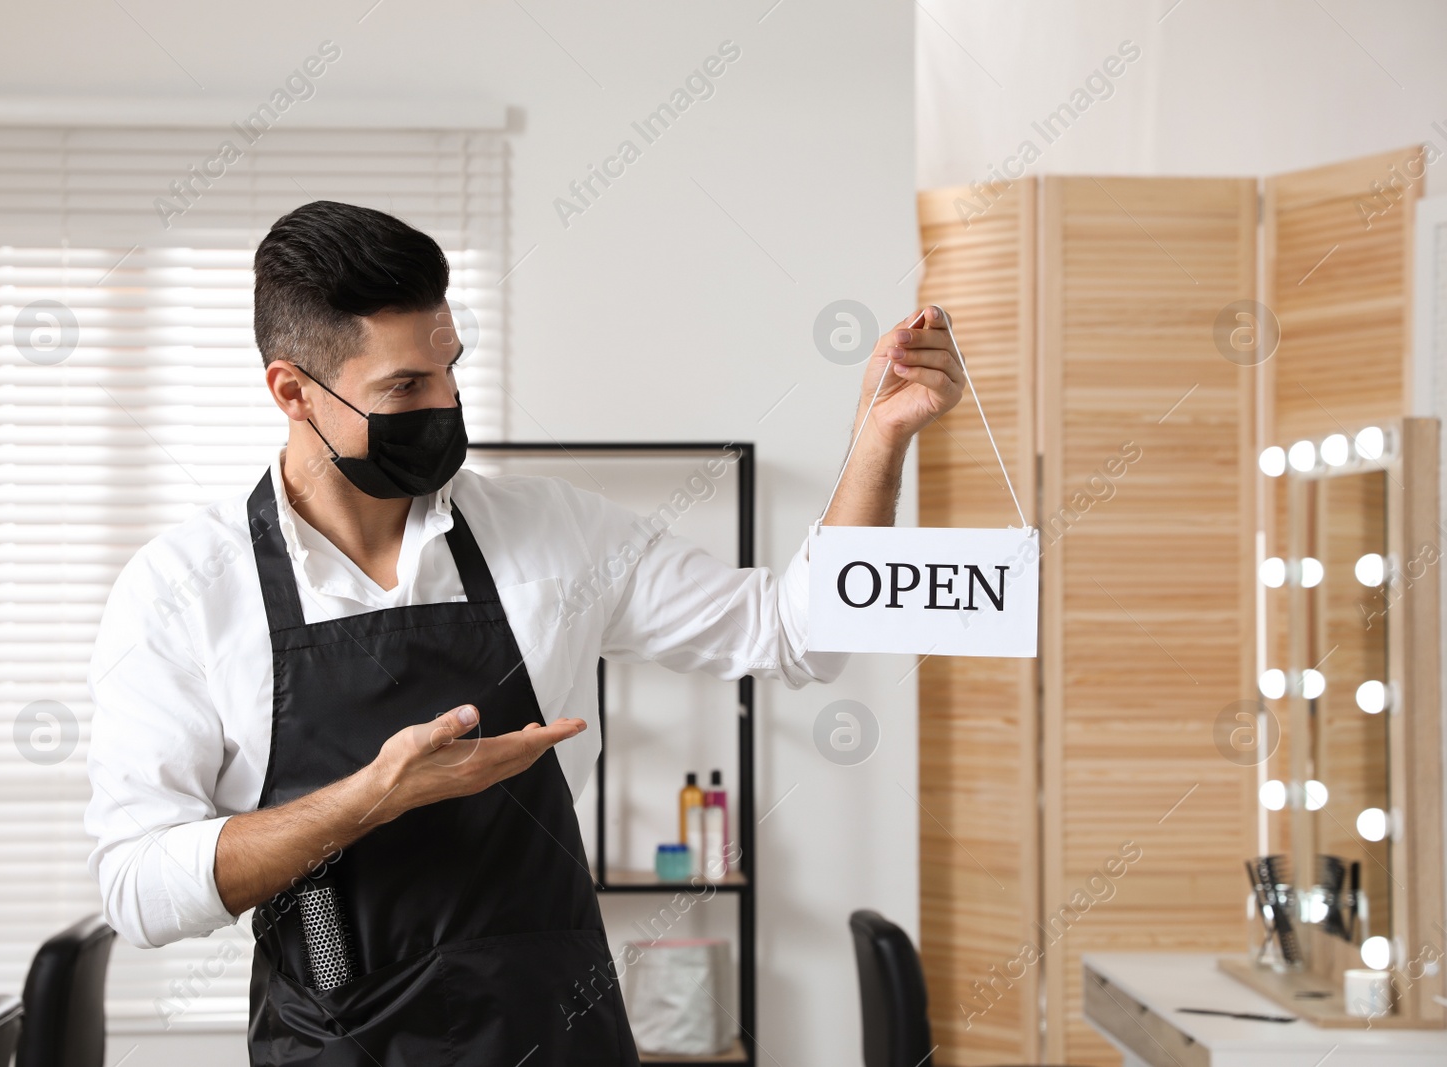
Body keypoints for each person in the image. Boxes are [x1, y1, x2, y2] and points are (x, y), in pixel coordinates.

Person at [84, 200, 962, 1066]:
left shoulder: (553, 534)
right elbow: (137, 888)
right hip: (336, 1049)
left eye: (449, 370)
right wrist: (371, 797)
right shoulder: (182, 591)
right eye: (405, 387)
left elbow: (797, 633)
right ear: (291, 390)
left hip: (558, 1035)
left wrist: (879, 440)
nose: (446, 404)